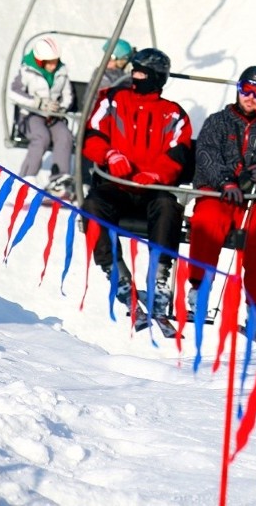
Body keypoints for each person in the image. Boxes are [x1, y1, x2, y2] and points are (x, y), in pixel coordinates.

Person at [187, 66, 256, 343]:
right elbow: (206, 153)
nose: (250, 97)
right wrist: (226, 181)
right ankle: (200, 288)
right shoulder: (218, 122)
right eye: (246, 89)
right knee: (207, 222)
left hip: (255, 198)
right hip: (220, 193)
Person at [82, 47, 193, 317]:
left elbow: (178, 154)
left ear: (156, 77)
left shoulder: (173, 114)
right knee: (93, 204)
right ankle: (116, 272)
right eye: (134, 72)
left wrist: (156, 175)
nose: (135, 77)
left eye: (141, 73)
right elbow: (91, 135)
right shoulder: (114, 100)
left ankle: (159, 276)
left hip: (153, 189)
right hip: (116, 185)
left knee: (168, 209)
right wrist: (109, 154)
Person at [10, 34, 75, 194]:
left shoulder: (61, 72)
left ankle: (59, 179)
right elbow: (13, 93)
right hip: (30, 115)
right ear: (40, 61)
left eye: (55, 61)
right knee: (41, 137)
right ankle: (27, 178)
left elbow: (68, 94)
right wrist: (37, 102)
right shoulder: (27, 71)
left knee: (65, 135)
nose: (54, 66)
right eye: (50, 63)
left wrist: (61, 107)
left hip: (52, 116)